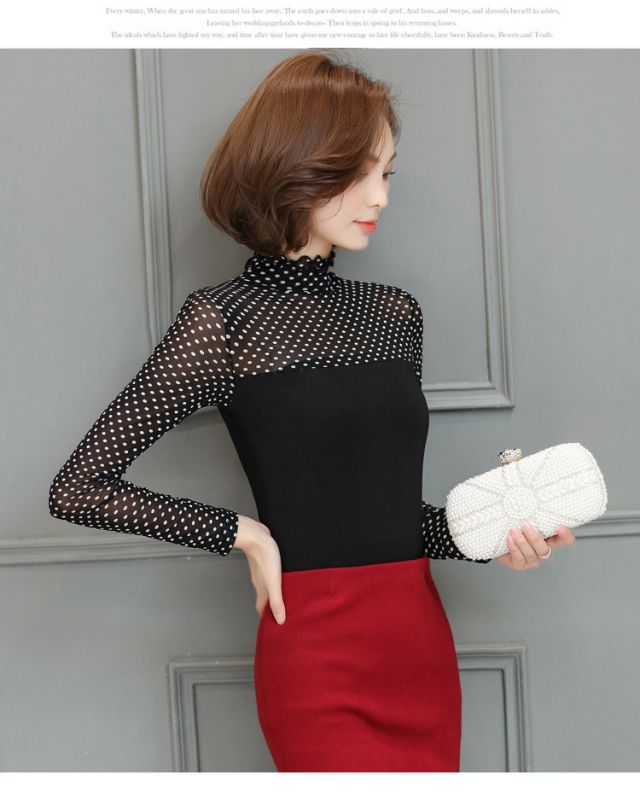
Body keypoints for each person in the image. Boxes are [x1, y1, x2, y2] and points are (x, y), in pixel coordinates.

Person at [48, 50, 575, 772]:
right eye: (362, 172)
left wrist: (494, 537)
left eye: (387, 174)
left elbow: (387, 516)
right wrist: (245, 534)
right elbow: (78, 488)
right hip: (315, 658)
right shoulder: (223, 323)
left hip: (417, 644)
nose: (381, 196)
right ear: (299, 165)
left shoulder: (394, 316)